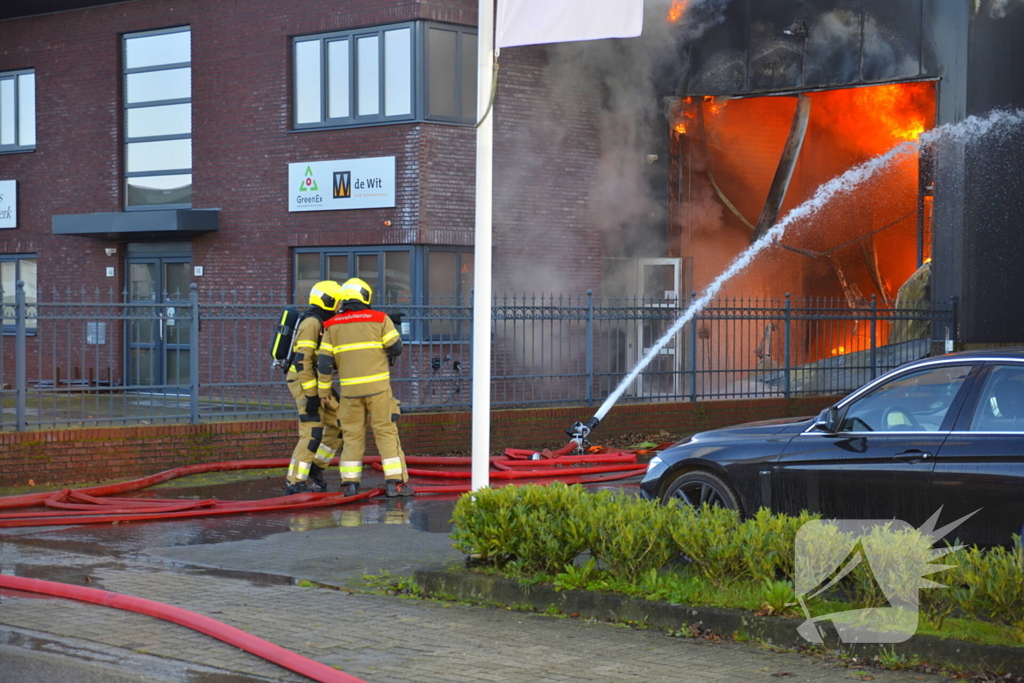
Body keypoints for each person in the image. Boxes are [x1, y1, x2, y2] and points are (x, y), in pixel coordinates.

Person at [317, 277, 412, 497]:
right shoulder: (380, 319)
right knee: (386, 433)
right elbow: (396, 349)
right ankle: (395, 484)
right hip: (378, 390)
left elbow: (323, 363)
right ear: (366, 296)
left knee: (351, 436)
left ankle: (350, 484)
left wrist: (324, 392)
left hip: (349, 393)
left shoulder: (331, 325)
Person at [284, 280, 345, 495]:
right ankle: (295, 482)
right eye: (338, 302)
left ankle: (315, 468)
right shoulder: (311, 323)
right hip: (304, 381)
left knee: (338, 423)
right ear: (328, 301)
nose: (340, 307)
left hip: (319, 381)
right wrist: (311, 396)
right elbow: (303, 361)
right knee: (312, 431)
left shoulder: (323, 321)